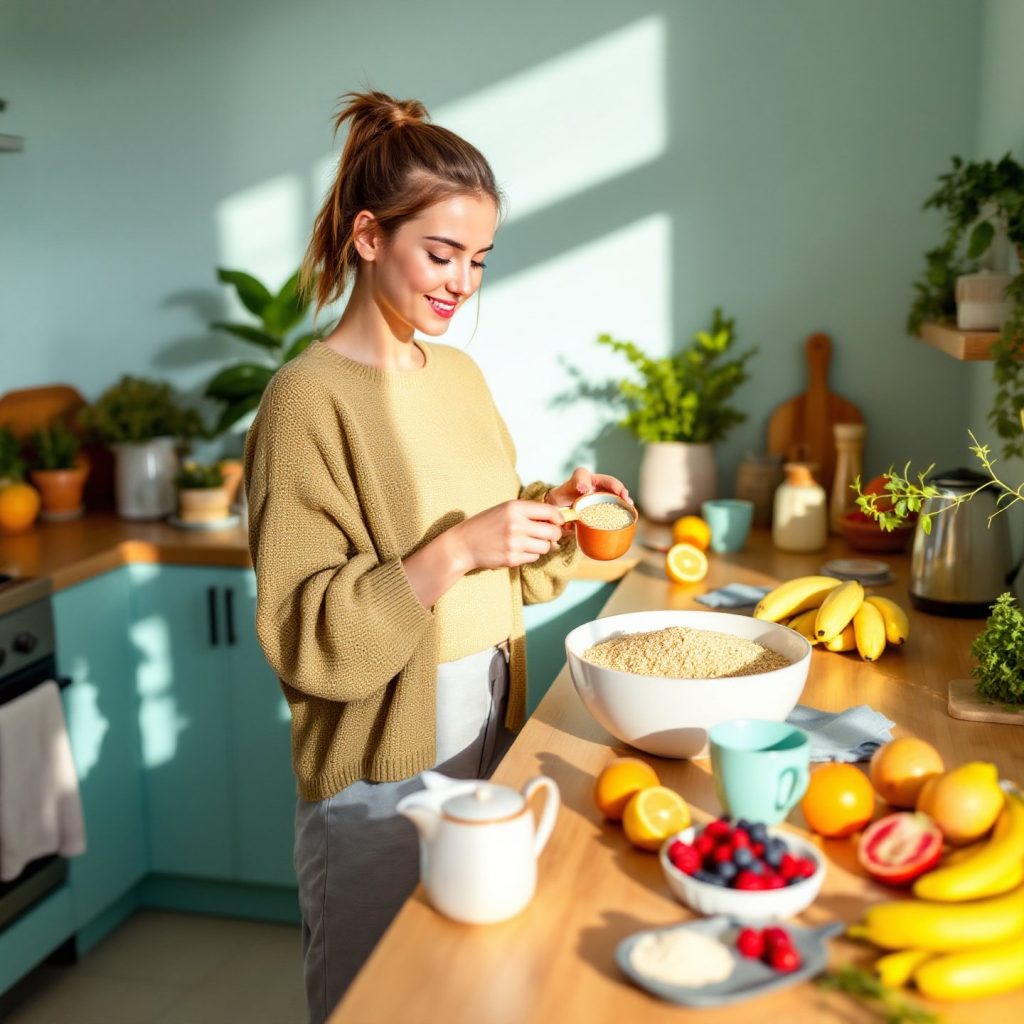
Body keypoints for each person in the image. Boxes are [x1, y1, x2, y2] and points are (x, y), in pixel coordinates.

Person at [243, 90, 631, 1024]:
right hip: (383, 763)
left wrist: (552, 515)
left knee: (466, 992)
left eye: (479, 261)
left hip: (486, 725)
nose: (462, 283)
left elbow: (489, 549)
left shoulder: (457, 375)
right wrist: (457, 548)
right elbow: (304, 631)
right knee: (378, 1002)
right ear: (369, 236)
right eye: (442, 254)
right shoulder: (306, 401)